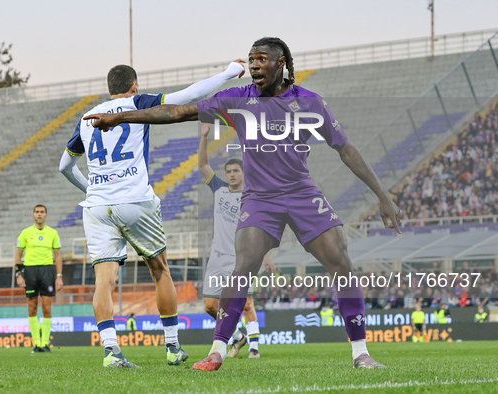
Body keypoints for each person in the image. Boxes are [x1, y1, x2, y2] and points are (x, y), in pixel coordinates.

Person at [84, 37, 401, 370]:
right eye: (251, 60)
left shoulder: (309, 103)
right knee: (242, 268)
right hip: (260, 197)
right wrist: (124, 118)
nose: (254, 66)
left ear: (281, 63)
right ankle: (218, 351)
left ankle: (361, 353)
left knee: (342, 261)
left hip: (301, 192)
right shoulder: (238, 98)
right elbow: (178, 111)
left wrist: (382, 195)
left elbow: (346, 149)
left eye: (262, 59)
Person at [59, 61, 246, 368]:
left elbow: (64, 166)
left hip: (95, 206)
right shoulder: (137, 103)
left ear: (109, 88)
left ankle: (111, 352)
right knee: (159, 270)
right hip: (135, 200)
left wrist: (91, 188)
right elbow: (186, 97)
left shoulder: (87, 118)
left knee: (103, 281)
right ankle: (172, 347)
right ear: (134, 86)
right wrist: (227, 73)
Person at [199, 124, 275, 358]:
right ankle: (237, 337)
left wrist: (267, 256)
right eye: (229, 171)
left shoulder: (252, 196)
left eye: (235, 171)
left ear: (244, 173)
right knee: (211, 306)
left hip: (240, 257)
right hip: (216, 257)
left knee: (246, 303)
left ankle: (254, 349)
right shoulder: (219, 189)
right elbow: (203, 165)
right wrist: (204, 137)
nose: (231, 174)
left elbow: (261, 230)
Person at [15, 204, 63, 353]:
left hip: (47, 270)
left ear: (46, 215)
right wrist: (19, 274)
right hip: (30, 270)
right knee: (32, 307)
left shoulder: (53, 233)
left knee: (47, 307)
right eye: (37, 212)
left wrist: (59, 276)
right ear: (33, 215)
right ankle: (37, 344)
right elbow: (18, 255)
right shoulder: (25, 233)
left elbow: (58, 256)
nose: (39, 214)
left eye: (42, 212)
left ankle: (45, 343)